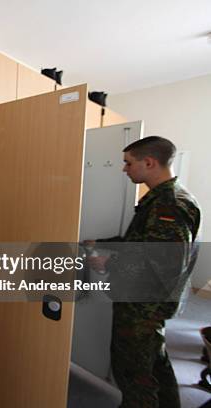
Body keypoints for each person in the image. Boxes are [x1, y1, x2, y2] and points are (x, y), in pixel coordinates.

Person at [88, 136, 201, 408]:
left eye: (128, 163)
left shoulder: (169, 205)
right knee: (155, 366)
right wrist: (101, 244)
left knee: (134, 375)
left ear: (149, 162)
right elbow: (143, 243)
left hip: (143, 307)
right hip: (148, 304)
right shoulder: (163, 199)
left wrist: (109, 264)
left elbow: (165, 263)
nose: (124, 169)